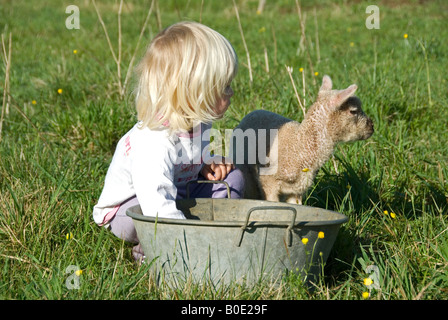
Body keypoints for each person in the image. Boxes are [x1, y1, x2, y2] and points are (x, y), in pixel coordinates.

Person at [92, 21, 244, 262]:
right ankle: (151, 251)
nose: (231, 93)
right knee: (142, 212)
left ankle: (219, 230)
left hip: (174, 189)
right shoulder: (154, 141)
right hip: (128, 209)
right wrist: (187, 245)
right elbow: (155, 199)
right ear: (194, 92)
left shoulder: (199, 120)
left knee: (234, 179)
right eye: (224, 87)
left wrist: (203, 165)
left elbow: (186, 156)